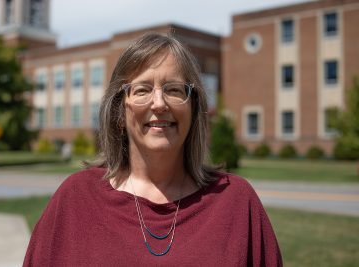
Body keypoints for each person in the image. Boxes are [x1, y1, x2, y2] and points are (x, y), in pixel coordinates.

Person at [23, 33, 282, 266]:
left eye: (173, 90)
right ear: (119, 111)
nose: (159, 104)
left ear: (193, 108)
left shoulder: (235, 202)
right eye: (142, 90)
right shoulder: (75, 199)